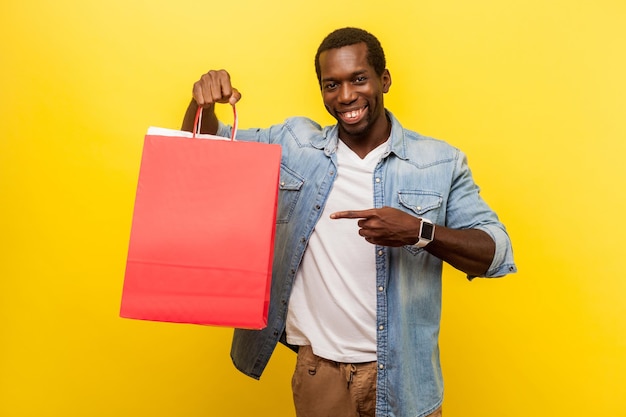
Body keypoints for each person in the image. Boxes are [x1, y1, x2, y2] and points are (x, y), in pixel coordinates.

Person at [182, 27, 516, 417]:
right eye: (331, 85)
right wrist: (201, 102)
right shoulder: (295, 144)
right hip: (319, 373)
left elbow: (496, 253)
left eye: (359, 79)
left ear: (384, 80)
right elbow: (206, 146)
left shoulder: (439, 162)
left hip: (406, 378)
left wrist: (418, 232)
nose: (345, 97)